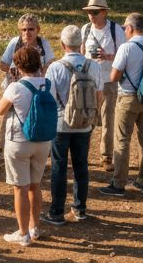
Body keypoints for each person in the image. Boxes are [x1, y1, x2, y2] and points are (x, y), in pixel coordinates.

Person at [43, 25, 104, 225]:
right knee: (81, 166)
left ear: (62, 44)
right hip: (84, 124)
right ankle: (80, 208)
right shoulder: (93, 66)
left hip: (61, 123)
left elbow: (49, 99)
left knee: (59, 167)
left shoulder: (55, 67)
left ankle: (57, 212)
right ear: (81, 45)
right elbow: (99, 96)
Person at [100, 13, 143, 197]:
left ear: (129, 28)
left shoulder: (127, 47)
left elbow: (114, 77)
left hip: (128, 97)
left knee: (122, 140)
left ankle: (118, 183)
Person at [0, 46, 52, 246]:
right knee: (35, 186)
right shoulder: (47, 84)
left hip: (19, 141)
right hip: (43, 141)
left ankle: (22, 233)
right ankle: (34, 227)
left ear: (18, 66)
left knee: (20, 188)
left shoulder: (16, 87)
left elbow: (0, 110)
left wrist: (13, 82)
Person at [0, 14, 53, 165]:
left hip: (36, 86)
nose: (27, 33)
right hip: (15, 85)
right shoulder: (15, 43)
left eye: (31, 29)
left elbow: (51, 62)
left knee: (38, 113)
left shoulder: (43, 44)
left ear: (38, 30)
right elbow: (2, 64)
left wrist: (40, 73)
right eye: (24, 29)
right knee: (6, 117)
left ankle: (43, 143)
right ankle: (1, 149)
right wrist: (13, 70)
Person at [81, 0, 124, 169]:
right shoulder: (85, 29)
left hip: (109, 80)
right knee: (86, 117)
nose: (91, 15)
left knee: (108, 119)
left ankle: (106, 156)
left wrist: (108, 56)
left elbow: (124, 55)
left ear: (104, 12)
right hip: (89, 80)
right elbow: (81, 52)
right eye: (89, 12)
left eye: (95, 12)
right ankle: (82, 153)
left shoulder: (116, 30)